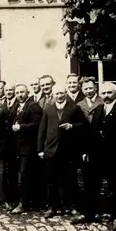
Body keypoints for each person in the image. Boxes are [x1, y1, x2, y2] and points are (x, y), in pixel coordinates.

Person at [75, 82, 116, 231]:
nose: (106, 96)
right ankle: (89, 214)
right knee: (91, 186)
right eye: (104, 93)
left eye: (109, 93)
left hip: (115, 156)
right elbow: (92, 133)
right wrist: (86, 152)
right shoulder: (99, 109)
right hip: (96, 155)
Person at [37, 84, 87, 218]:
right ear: (53, 95)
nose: (59, 96)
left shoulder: (74, 108)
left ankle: (71, 207)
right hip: (51, 150)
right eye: (56, 94)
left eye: (61, 93)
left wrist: (72, 126)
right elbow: (42, 130)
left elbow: (83, 125)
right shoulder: (48, 109)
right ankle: (52, 207)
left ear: (65, 93)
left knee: (69, 180)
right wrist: (40, 149)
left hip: (68, 151)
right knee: (51, 180)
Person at [9, 84, 42, 214]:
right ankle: (30, 201)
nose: (19, 95)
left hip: (29, 147)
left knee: (24, 175)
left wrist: (21, 127)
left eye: (22, 92)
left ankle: (24, 203)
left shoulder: (33, 106)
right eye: (17, 92)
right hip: (20, 147)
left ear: (27, 92)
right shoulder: (18, 106)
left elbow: (37, 124)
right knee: (23, 174)